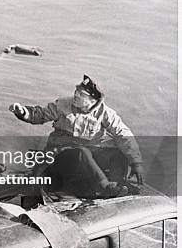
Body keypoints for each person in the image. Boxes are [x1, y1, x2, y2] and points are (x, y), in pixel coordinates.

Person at [9, 75, 144, 199]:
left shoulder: (105, 113)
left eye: (81, 94)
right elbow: (40, 115)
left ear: (93, 100)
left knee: (117, 152)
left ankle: (118, 185)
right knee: (81, 152)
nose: (76, 95)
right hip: (60, 155)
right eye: (76, 91)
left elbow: (123, 133)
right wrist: (23, 112)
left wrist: (136, 162)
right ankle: (105, 188)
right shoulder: (62, 105)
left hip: (85, 157)